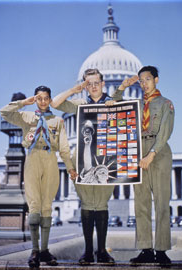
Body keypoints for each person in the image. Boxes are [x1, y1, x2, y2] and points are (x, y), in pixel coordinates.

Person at [51, 68, 136, 265]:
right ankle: (88, 251)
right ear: (85, 85)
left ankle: (101, 251)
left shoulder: (113, 102)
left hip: (106, 160)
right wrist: (75, 89)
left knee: (102, 204)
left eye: (96, 82)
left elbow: (131, 122)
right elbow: (55, 103)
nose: (93, 87)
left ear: (103, 83)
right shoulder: (81, 103)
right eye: (89, 84)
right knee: (88, 205)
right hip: (82, 159)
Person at [0, 86, 77, 268]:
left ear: (50, 100)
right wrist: (23, 103)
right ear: (36, 99)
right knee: (34, 205)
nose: (43, 101)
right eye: (39, 98)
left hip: (50, 159)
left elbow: (64, 147)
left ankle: (44, 250)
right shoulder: (27, 117)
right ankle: (35, 250)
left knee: (47, 206)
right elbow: (4, 112)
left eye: (46, 98)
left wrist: (70, 168)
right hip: (33, 158)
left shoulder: (57, 121)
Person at [113, 66, 175, 264]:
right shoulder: (135, 105)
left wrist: (151, 154)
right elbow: (113, 104)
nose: (144, 83)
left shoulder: (166, 103)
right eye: (141, 81)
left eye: (147, 79)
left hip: (159, 151)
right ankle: (146, 249)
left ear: (156, 80)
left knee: (162, 203)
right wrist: (123, 86)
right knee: (141, 204)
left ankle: (162, 250)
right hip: (138, 151)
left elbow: (165, 131)